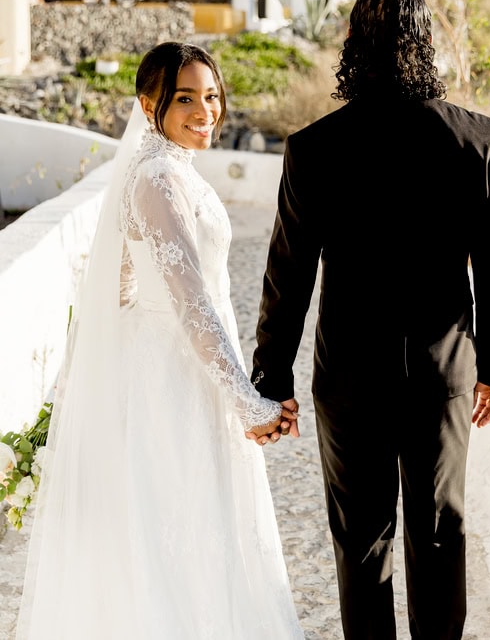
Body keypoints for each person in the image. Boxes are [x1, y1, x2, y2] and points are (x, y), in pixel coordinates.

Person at [250, 0, 490, 639]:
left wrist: (271, 381)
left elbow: (287, 274)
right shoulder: (480, 140)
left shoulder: (314, 148)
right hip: (442, 378)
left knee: (360, 544)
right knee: (438, 537)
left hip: (348, 381)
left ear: (351, 45)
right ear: (426, 43)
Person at [17, 41, 303, 639]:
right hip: (170, 380)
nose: (206, 111)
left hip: (188, 370)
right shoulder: (156, 180)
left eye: (212, 96)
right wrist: (249, 402)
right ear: (149, 105)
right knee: (175, 533)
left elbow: (143, 285)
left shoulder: (173, 171)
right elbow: (190, 302)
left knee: (197, 529)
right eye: (185, 99)